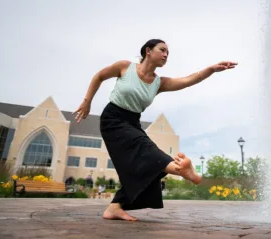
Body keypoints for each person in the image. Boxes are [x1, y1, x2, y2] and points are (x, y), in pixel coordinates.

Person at [73, 39, 237, 221]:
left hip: (133, 122)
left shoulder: (159, 83)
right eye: (163, 50)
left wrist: (211, 69)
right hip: (113, 119)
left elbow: (190, 79)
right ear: (148, 51)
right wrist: (87, 102)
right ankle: (183, 171)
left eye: (168, 52)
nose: (166, 55)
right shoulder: (125, 67)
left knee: (141, 166)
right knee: (146, 150)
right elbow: (99, 76)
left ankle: (114, 207)